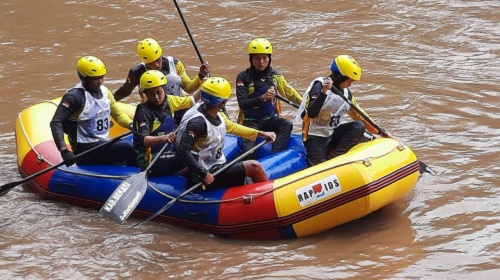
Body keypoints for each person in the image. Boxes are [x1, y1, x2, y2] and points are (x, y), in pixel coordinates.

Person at [176, 77, 276, 189]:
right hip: (202, 174)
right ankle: (269, 194)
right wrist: (203, 173)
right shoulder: (198, 123)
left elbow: (232, 127)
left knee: (244, 176)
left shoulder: (212, 111)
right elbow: (182, 150)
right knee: (254, 166)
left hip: (213, 164)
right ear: (223, 102)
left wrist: (261, 133)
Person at [296, 54, 392, 166]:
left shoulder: (346, 93)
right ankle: (329, 165)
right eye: (349, 81)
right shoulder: (319, 84)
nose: (350, 84)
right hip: (315, 137)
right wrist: (323, 92)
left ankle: (335, 158)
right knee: (317, 165)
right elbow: (312, 113)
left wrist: (380, 132)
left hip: (333, 133)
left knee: (359, 126)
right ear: (339, 76)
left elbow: (359, 115)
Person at [50, 55, 137, 167]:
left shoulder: (105, 91)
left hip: (102, 144)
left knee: (137, 144)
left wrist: (131, 125)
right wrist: (63, 150)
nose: (100, 82)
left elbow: (118, 114)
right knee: (127, 147)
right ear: (84, 78)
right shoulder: (74, 97)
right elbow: (56, 122)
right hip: (85, 150)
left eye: (102, 77)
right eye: (95, 79)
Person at [113, 37, 210, 123]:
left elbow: (189, 88)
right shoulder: (137, 72)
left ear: (161, 53)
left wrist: (200, 76)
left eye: (157, 60)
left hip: (178, 106)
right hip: (153, 111)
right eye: (151, 63)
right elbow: (125, 91)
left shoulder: (175, 64)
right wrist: (110, 102)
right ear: (144, 61)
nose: (156, 65)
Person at [235, 38, 302, 156]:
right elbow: (242, 103)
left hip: (269, 120)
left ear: (269, 59)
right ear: (251, 59)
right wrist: (262, 98)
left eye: (264, 58)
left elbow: (290, 94)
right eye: (257, 58)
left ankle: (275, 156)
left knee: (287, 124)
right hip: (250, 122)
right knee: (248, 152)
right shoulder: (243, 77)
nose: (261, 62)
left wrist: (306, 105)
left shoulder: (275, 76)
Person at [133, 70, 200, 175]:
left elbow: (191, 101)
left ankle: (186, 171)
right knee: (188, 158)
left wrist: (204, 85)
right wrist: (163, 138)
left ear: (164, 89)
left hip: (167, 151)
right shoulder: (144, 112)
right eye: (151, 94)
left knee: (195, 151)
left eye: (159, 92)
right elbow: (144, 140)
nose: (156, 97)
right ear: (146, 94)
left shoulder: (169, 101)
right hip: (150, 159)